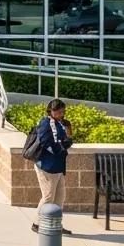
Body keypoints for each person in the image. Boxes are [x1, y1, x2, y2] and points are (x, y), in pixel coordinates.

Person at [31, 99, 74, 236]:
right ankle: (37, 224)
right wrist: (62, 146)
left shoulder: (61, 124)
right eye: (58, 111)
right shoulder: (45, 122)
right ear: (51, 110)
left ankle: (55, 224)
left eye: (62, 111)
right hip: (47, 166)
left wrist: (68, 138)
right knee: (48, 196)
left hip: (58, 167)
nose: (61, 114)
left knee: (60, 197)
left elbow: (64, 140)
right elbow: (45, 142)